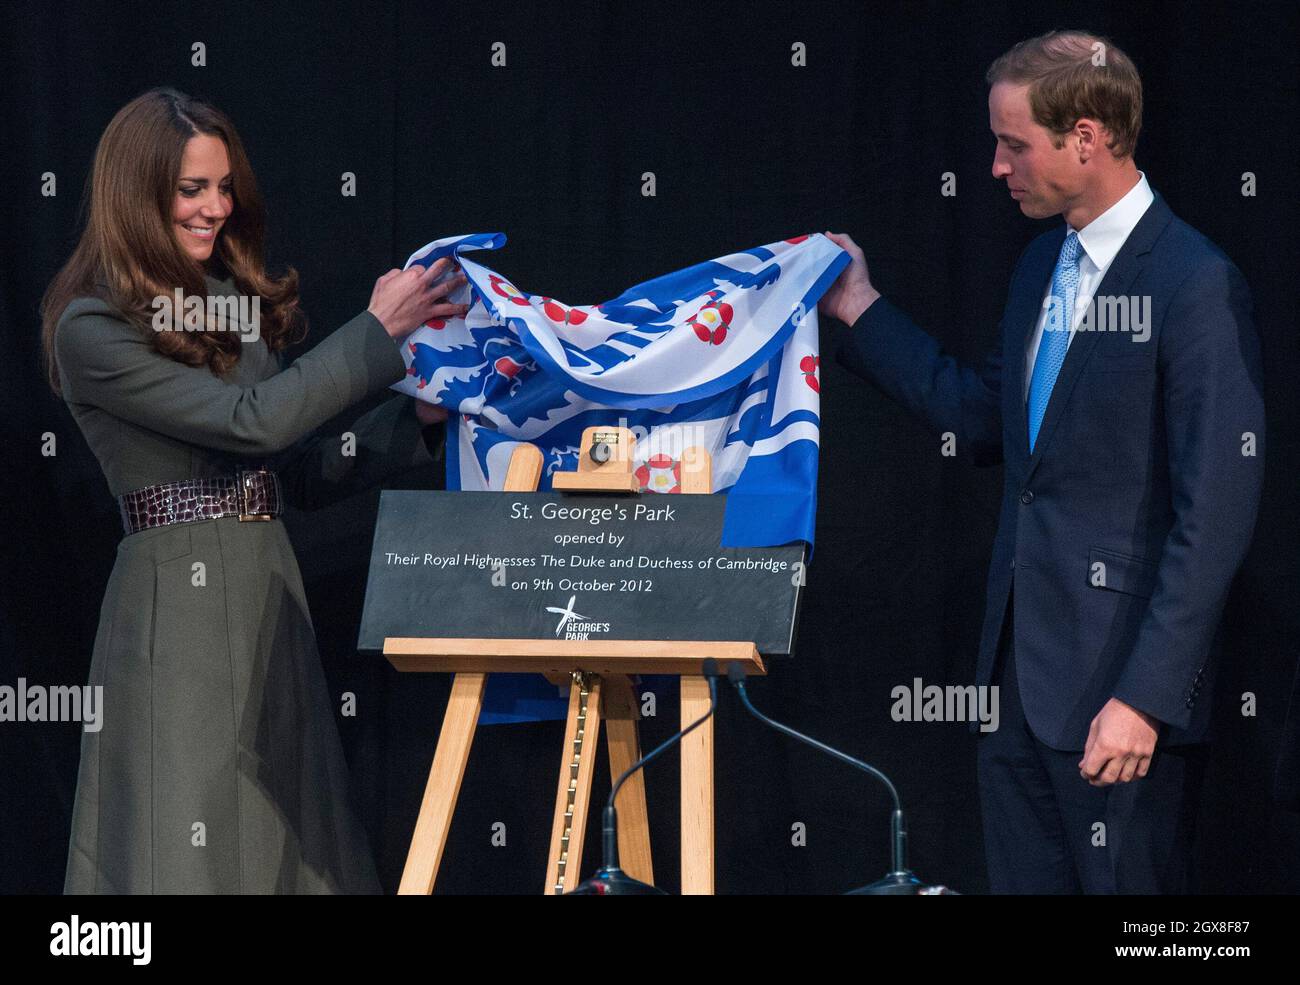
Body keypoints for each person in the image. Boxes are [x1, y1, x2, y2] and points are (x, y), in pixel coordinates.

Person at [818, 31, 1264, 893]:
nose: (995, 165)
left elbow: (1218, 512)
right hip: (1017, 692)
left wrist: (1145, 698)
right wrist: (861, 308)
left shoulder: (1193, 283)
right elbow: (988, 422)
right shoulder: (1039, 267)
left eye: (1013, 143)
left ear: (1086, 138)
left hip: (1122, 702)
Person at [40, 87, 466, 893]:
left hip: (269, 593)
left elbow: (293, 467)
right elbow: (254, 423)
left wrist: (419, 418)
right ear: (136, 196)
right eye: (191, 190)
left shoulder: (228, 304)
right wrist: (375, 332)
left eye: (223, 187)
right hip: (178, 612)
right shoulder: (91, 327)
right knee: (183, 843)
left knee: (286, 844)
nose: (215, 208)